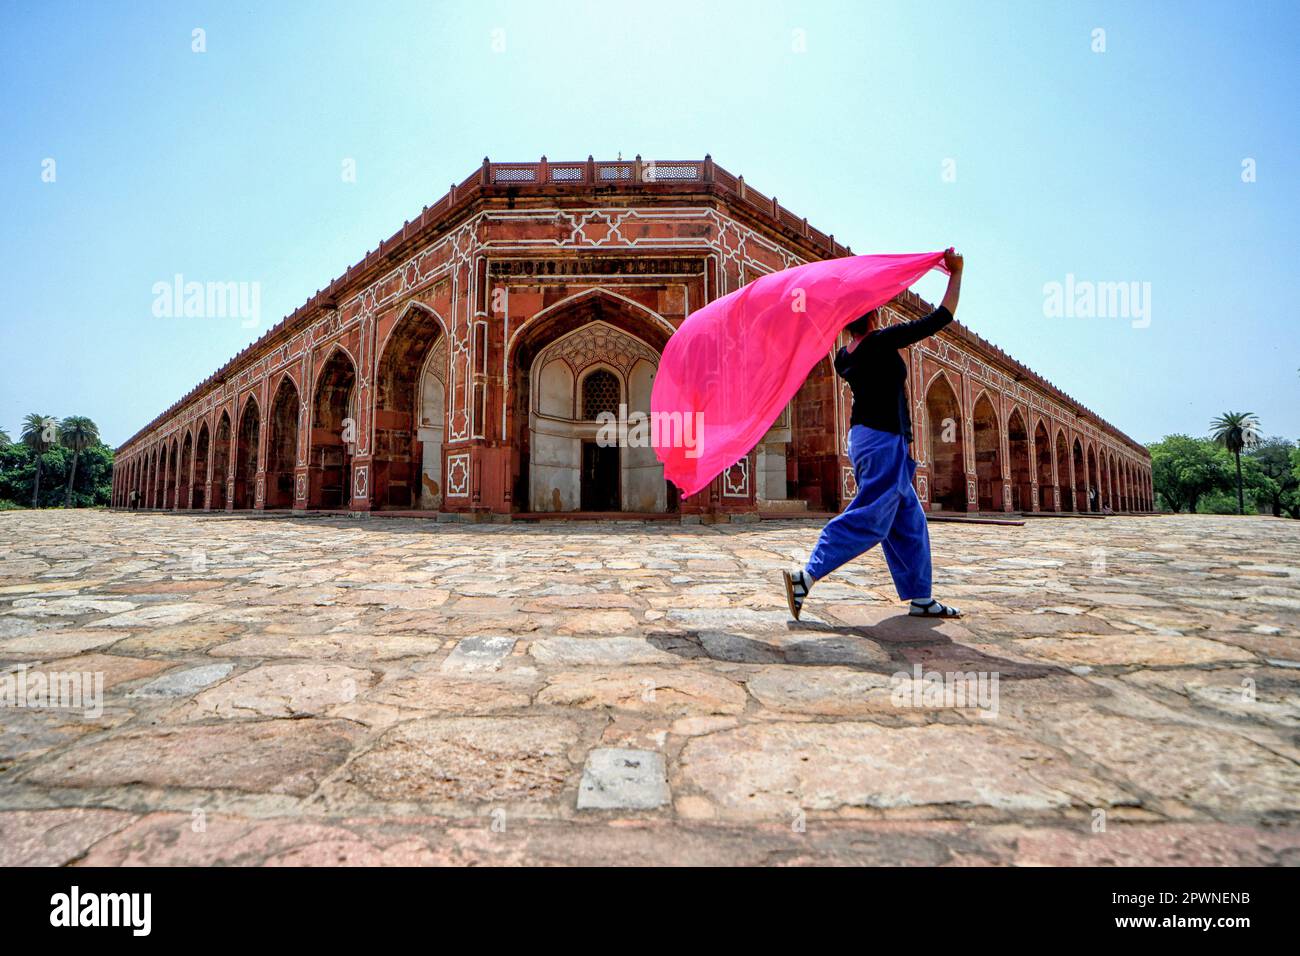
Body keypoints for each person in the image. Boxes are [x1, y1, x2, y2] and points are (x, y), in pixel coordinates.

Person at [783, 249, 965, 620]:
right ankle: (808, 574)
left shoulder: (844, 358)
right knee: (871, 516)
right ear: (876, 314)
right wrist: (956, 274)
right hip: (884, 439)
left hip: (865, 438)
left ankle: (921, 596)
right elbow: (940, 318)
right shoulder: (882, 342)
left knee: (909, 521)